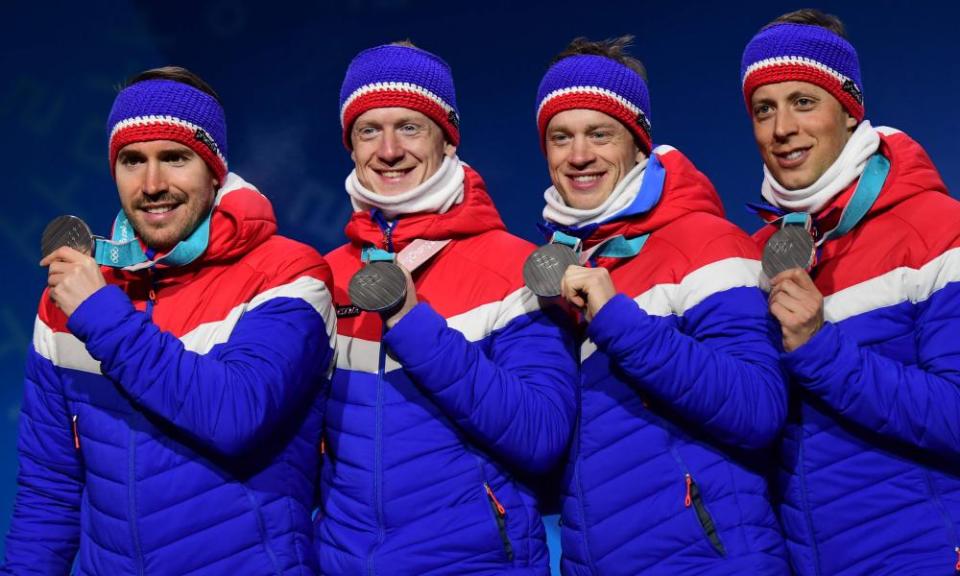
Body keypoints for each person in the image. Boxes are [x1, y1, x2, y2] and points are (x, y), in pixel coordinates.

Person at [1, 66, 336, 575]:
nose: (152, 184)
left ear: (214, 169)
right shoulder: (71, 297)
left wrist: (101, 317)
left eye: (174, 158)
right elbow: (49, 491)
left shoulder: (287, 274)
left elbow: (235, 417)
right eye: (133, 160)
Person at [318, 42, 577, 575]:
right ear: (350, 146)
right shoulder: (323, 278)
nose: (388, 150)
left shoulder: (513, 266)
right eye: (369, 130)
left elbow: (541, 435)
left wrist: (414, 325)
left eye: (410, 127)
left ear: (447, 136)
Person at [537, 37, 789, 574]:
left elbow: (758, 407)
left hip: (711, 559)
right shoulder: (558, 272)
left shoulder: (705, 241)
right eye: (562, 137)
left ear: (638, 143)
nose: (579, 156)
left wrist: (617, 320)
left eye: (599, 134)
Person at [743, 9, 960, 575]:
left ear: (849, 109)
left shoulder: (938, 229)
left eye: (803, 102)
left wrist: (821, 348)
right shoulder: (753, 257)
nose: (781, 128)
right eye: (764, 109)